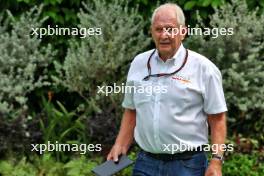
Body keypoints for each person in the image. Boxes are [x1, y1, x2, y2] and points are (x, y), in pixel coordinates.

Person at [107, 3, 227, 176]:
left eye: (170, 29)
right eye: (159, 29)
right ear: (151, 32)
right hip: (145, 162)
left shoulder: (204, 68)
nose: (164, 35)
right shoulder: (139, 63)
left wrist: (216, 161)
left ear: (183, 32)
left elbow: (217, 119)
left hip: (188, 165)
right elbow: (131, 110)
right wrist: (120, 145)